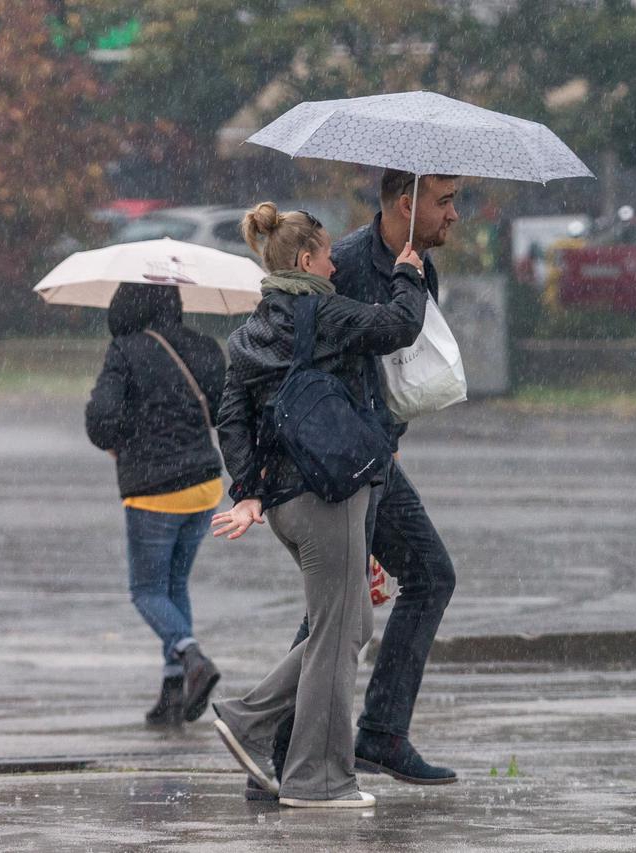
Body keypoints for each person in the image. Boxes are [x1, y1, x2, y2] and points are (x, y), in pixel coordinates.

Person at [251, 171, 462, 796]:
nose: (455, 216)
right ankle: (281, 752)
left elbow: (395, 370)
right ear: (407, 203)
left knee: (428, 576)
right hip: (338, 466)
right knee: (336, 609)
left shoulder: (416, 265)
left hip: (376, 455)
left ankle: (381, 734)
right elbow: (299, 365)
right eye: (446, 202)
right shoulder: (340, 265)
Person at [209, 202, 427, 808]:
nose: (335, 266)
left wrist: (250, 490)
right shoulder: (322, 310)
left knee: (349, 624)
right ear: (305, 259)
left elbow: (231, 416)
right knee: (337, 634)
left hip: (283, 502)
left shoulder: (251, 331)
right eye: (328, 255)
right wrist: (409, 273)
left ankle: (249, 717)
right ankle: (318, 779)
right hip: (330, 492)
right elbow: (396, 328)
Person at [85, 282, 226, 727]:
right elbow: (223, 409)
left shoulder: (125, 350)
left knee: (146, 592)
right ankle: (172, 691)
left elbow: (102, 419)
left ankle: (190, 656)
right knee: (173, 585)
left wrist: (123, 438)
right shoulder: (205, 347)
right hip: (204, 485)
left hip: (153, 489)